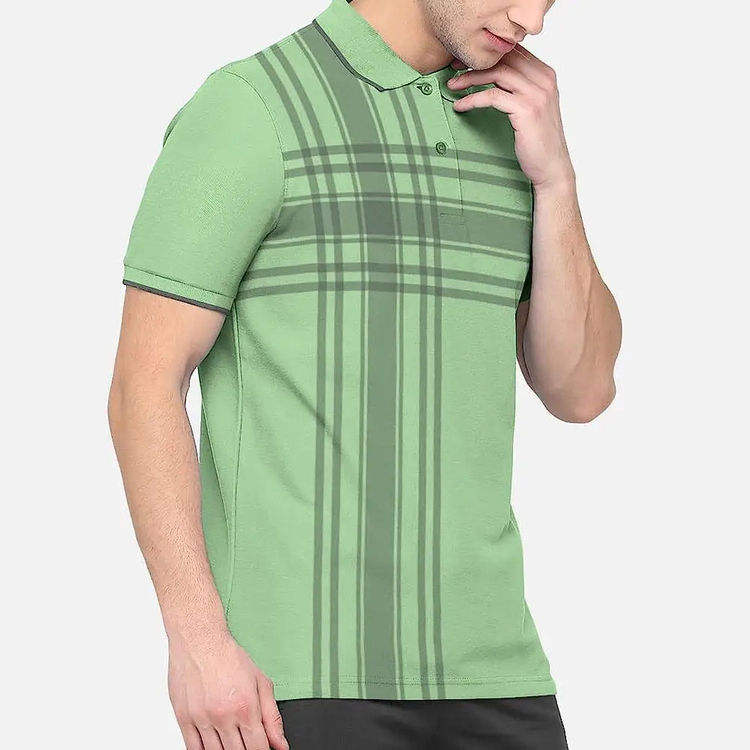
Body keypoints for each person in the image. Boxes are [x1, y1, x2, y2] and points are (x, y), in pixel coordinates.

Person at [108, 0, 622, 747]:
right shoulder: (253, 106)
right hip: (299, 680)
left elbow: (583, 391)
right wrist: (196, 640)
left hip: (497, 672)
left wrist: (557, 182)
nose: (532, 19)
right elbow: (144, 386)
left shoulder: (511, 120)